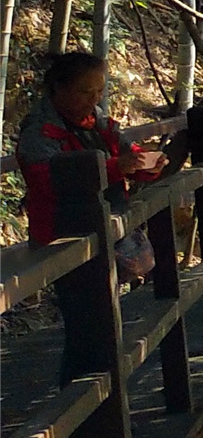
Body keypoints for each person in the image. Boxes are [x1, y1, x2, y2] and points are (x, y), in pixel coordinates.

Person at [17, 49, 165, 383]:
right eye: (86, 91)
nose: (94, 98)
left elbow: (126, 153)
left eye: (99, 91)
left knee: (102, 321)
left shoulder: (97, 122)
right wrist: (115, 168)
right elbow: (50, 181)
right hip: (62, 236)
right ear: (59, 88)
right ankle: (79, 402)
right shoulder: (39, 133)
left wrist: (146, 165)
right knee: (84, 324)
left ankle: (101, 394)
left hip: (104, 230)